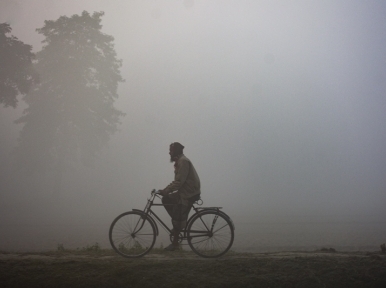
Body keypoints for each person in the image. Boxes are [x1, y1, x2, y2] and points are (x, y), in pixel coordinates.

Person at [159, 142, 201, 251]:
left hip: (189, 193)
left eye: (171, 151)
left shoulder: (183, 162)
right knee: (167, 199)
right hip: (186, 191)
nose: (169, 153)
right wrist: (165, 191)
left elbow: (179, 182)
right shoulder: (180, 161)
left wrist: (166, 190)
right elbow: (177, 182)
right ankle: (177, 226)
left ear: (176, 151)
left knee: (176, 211)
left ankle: (175, 241)